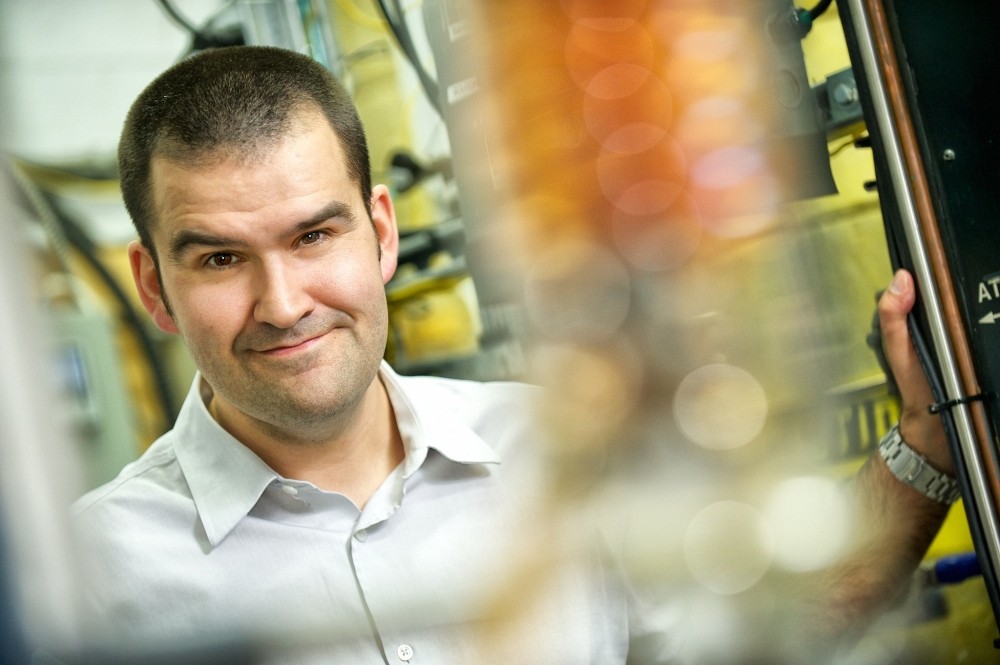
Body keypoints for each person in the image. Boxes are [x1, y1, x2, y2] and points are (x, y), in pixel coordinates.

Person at [70, 45, 960, 663]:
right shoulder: (90, 579)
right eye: (220, 257)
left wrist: (929, 440)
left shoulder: (561, 446)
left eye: (314, 234)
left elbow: (770, 639)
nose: (283, 302)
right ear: (153, 286)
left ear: (380, 232)